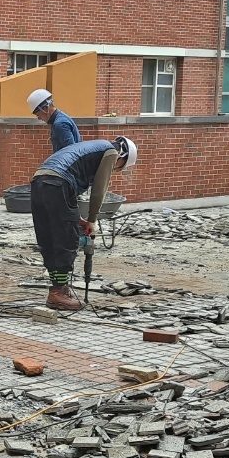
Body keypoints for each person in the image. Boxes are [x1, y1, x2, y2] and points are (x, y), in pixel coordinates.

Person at [30, 136, 138, 310]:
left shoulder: (90, 147)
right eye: (119, 168)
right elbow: (99, 189)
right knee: (66, 240)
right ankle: (58, 293)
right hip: (59, 183)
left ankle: (59, 287)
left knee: (48, 237)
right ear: (122, 156)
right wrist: (93, 219)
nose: (115, 170)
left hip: (39, 182)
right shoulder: (111, 152)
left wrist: (76, 218)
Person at [27, 89, 81, 153]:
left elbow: (71, 153)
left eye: (38, 115)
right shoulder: (60, 118)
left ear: (46, 108)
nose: (39, 118)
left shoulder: (60, 124)